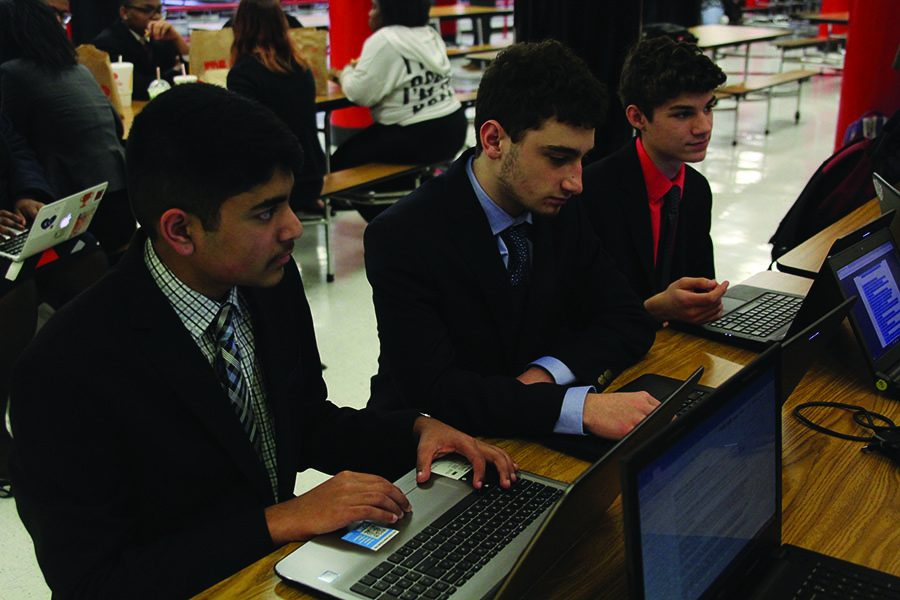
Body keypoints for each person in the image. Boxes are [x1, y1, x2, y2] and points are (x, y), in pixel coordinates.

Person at [8, 83, 516, 598]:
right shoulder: (63, 371)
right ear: (180, 231)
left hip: (271, 573)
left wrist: (416, 432)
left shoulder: (266, 285)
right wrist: (279, 521)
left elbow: (304, 422)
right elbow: (93, 583)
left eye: (289, 203)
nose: (294, 227)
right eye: (265, 212)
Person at [365, 40, 658, 440]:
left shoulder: (558, 208)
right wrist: (576, 407)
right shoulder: (404, 234)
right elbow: (435, 390)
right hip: (433, 448)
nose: (576, 182)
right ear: (494, 140)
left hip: (523, 436)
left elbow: (628, 320)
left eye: (582, 159)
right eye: (557, 158)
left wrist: (544, 373)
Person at [581, 36, 729, 325]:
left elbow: (700, 283)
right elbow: (578, 309)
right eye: (684, 113)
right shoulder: (592, 192)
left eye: (708, 108)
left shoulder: (696, 190)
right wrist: (650, 311)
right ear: (637, 117)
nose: (704, 127)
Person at [0, 114, 107, 493]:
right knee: (12, 289)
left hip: (10, 224)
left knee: (85, 256)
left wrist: (28, 194)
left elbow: (14, 147)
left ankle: (92, 397)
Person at [0, 0, 135, 259]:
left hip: (75, 209)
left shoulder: (13, 73)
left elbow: (11, 147)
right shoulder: (79, 70)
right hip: (121, 195)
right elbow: (117, 126)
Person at [331, 0, 467, 222]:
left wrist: (345, 73)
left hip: (416, 134)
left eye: (375, 7)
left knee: (339, 165)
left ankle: (390, 226)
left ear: (389, 9)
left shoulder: (384, 40)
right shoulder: (430, 33)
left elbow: (360, 93)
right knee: (393, 172)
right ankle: (414, 214)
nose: (369, 14)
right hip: (452, 127)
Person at [227, 0, 325, 213]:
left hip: (276, 184)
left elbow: (245, 136)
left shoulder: (243, 74)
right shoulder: (301, 66)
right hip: (312, 176)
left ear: (240, 26)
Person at [92, 0, 188, 100]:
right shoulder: (106, 43)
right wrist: (174, 75)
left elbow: (188, 74)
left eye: (159, 10)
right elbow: (137, 88)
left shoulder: (162, 37)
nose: (156, 17)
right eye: (147, 10)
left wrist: (177, 39)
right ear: (124, 13)